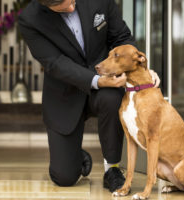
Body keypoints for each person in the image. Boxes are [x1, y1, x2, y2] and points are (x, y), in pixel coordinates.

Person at [18, 0, 160, 192]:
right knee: (64, 177)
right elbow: (55, 63)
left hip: (105, 88)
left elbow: (121, 38)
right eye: (63, 7)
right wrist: (96, 80)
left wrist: (141, 70)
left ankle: (112, 169)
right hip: (64, 93)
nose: (71, 8)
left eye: (72, 1)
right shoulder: (30, 19)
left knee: (112, 99)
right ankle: (74, 155)